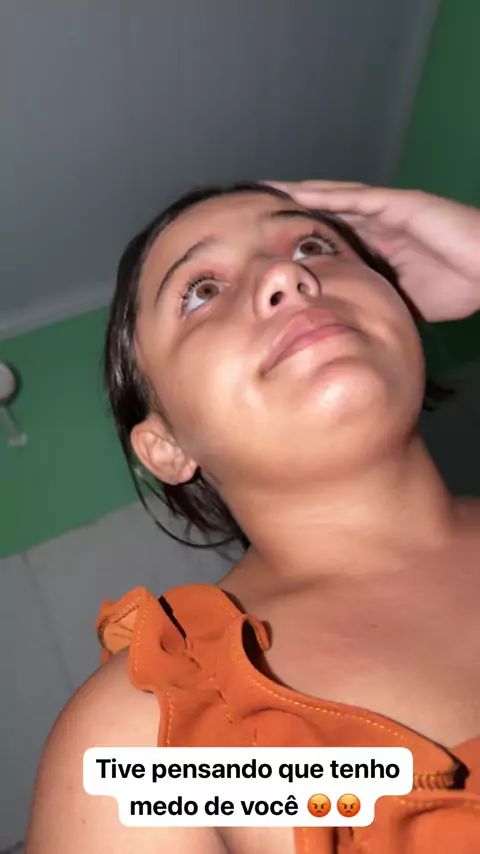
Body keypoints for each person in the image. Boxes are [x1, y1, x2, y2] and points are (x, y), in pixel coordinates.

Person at [26, 180, 480, 854]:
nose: (285, 276)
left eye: (313, 246)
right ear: (165, 445)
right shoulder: (151, 740)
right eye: (201, 291)